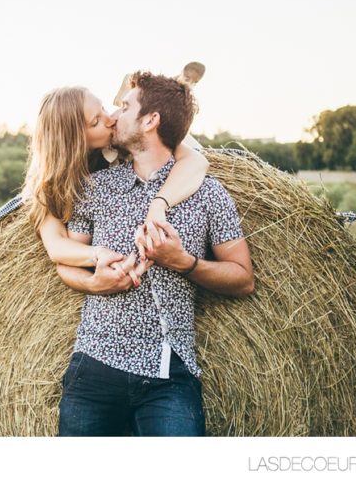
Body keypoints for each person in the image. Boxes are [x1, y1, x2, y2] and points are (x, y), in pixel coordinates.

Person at [56, 71, 254, 438]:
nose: (114, 114)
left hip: (168, 378)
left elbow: (242, 278)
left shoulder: (209, 194)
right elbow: (65, 262)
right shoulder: (95, 188)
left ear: (151, 120)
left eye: (125, 106)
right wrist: (94, 282)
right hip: (93, 370)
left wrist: (183, 262)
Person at [22, 81, 210, 285]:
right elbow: (57, 247)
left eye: (102, 108)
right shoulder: (48, 184)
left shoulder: (128, 136)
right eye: (96, 122)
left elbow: (197, 161)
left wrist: (158, 205)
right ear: (74, 139)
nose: (111, 118)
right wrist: (97, 264)